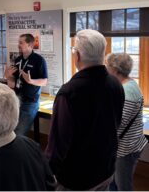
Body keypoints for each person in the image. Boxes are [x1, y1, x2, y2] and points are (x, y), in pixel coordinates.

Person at [45, 29, 125, 190]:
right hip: (106, 169)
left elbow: (57, 146)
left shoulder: (69, 93)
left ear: (77, 56)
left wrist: (46, 175)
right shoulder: (116, 84)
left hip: (76, 178)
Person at [106, 53, 147, 191]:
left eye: (108, 67)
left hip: (126, 149)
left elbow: (118, 122)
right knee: (113, 182)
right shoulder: (125, 84)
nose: (106, 69)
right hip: (122, 146)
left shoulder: (128, 92)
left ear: (115, 70)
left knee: (123, 186)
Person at [5, 33, 48, 135]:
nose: (18, 45)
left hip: (30, 102)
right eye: (18, 42)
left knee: (18, 133)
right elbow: (12, 83)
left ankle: (19, 150)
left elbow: (44, 81)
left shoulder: (39, 60)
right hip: (16, 99)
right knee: (9, 131)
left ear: (30, 45)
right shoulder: (18, 60)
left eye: (21, 43)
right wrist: (7, 76)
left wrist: (31, 81)